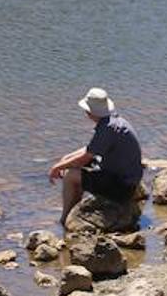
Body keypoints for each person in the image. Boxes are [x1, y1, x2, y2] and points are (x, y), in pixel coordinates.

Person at [48, 87, 143, 226]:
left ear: (89, 112)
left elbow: (85, 157)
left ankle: (65, 219)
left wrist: (57, 167)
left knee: (70, 175)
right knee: (76, 167)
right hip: (127, 180)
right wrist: (65, 159)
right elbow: (90, 150)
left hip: (122, 187)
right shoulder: (115, 122)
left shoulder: (107, 129)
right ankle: (74, 208)